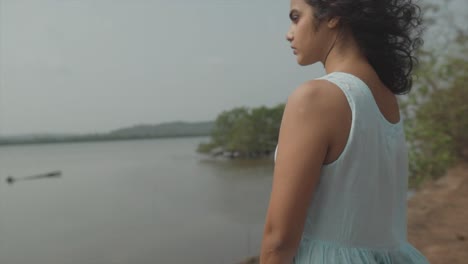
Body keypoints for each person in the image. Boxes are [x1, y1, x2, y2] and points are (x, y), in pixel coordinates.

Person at [259, 0, 428, 263]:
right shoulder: (384, 96)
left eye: (296, 17)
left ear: (333, 15)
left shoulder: (315, 98)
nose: (288, 33)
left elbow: (279, 240)